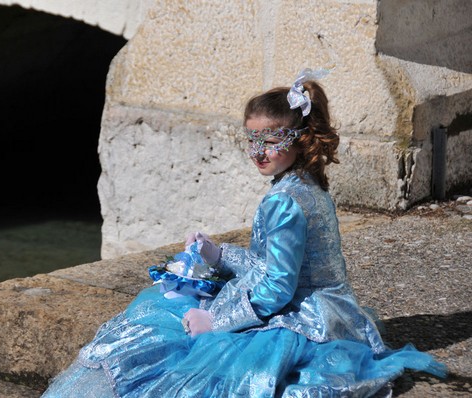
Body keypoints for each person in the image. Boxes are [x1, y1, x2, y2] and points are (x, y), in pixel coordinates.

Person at [42, 69, 445, 397]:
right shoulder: (307, 185)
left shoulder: (284, 201)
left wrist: (216, 322)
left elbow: (278, 289)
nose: (258, 153)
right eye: (251, 139)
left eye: (270, 141)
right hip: (332, 308)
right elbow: (271, 263)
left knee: (166, 346)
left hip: (303, 317)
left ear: (300, 139)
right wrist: (219, 255)